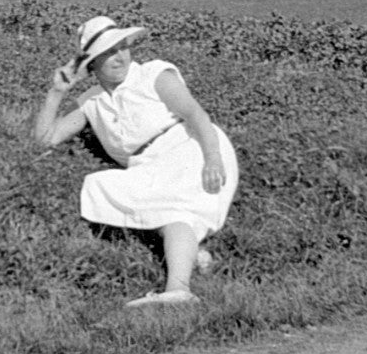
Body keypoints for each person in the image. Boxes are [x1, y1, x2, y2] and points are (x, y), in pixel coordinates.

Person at [34, 16, 238, 307]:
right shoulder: (92, 101)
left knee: (174, 214)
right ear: (91, 64)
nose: (119, 57)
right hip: (148, 167)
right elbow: (45, 140)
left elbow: (195, 114)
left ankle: (178, 287)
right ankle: (191, 258)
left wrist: (213, 158)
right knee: (99, 184)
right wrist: (56, 93)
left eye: (122, 47)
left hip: (188, 147)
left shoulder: (153, 74)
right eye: (107, 53)